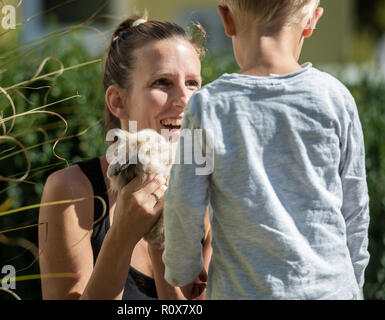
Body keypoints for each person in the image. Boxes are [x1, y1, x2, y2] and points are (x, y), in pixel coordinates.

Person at [162, 0, 370, 300]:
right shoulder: (335, 98)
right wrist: (353, 281)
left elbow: (184, 203)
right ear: (312, 20)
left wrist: (182, 271)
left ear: (226, 18)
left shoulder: (208, 106)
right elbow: (355, 207)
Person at [38, 14, 212, 300]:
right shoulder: (72, 191)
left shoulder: (210, 199)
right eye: (163, 82)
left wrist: (159, 247)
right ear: (118, 101)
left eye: (193, 83)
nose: (184, 98)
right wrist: (121, 236)